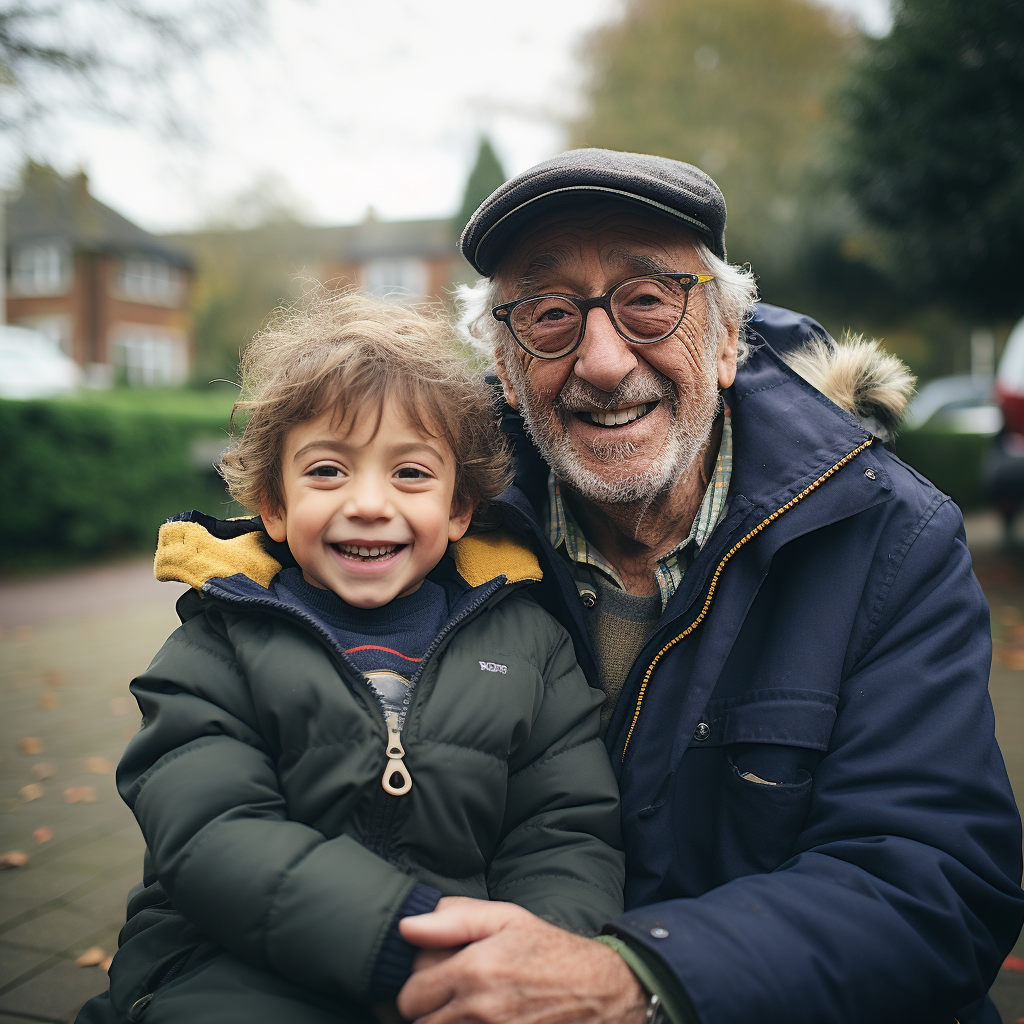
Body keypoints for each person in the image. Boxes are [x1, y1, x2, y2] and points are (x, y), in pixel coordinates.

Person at [390, 150, 1024, 1024]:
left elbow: (936, 886)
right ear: (504, 366)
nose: (605, 361)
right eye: (549, 313)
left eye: (648, 300)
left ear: (727, 340)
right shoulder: (413, 541)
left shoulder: (889, 538)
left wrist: (638, 981)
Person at [78, 290, 624, 1024]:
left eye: (410, 473)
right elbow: (213, 834)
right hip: (233, 963)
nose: (369, 502)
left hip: (465, 967)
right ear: (272, 502)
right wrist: (402, 945)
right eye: (328, 471)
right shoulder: (216, 646)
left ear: (460, 509)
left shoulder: (530, 646)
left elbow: (564, 830)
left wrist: (532, 953)